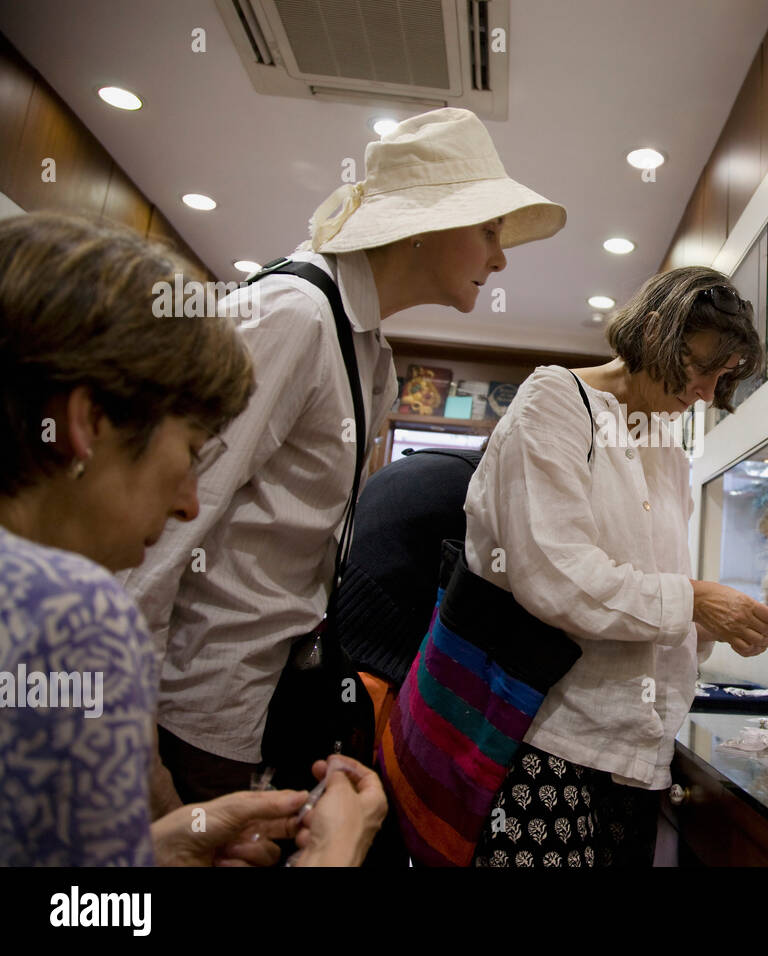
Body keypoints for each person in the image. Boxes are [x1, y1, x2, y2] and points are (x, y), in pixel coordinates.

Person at [121, 108, 565, 804]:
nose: (500, 257)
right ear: (427, 225)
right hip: (192, 715)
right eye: (488, 230)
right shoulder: (292, 316)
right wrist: (131, 744)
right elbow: (157, 533)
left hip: (261, 708)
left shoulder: (369, 352)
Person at [0, 212, 383, 866]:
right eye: (189, 452)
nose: (187, 504)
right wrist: (333, 856)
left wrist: (164, 846)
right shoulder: (71, 617)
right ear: (89, 422)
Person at [458, 266, 768, 867]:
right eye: (703, 367)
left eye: (722, 378)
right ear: (656, 330)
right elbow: (557, 576)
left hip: (638, 755)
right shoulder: (554, 401)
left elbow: (647, 591)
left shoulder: (668, 451)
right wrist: (695, 601)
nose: (708, 393)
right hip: (551, 741)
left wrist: (718, 623)